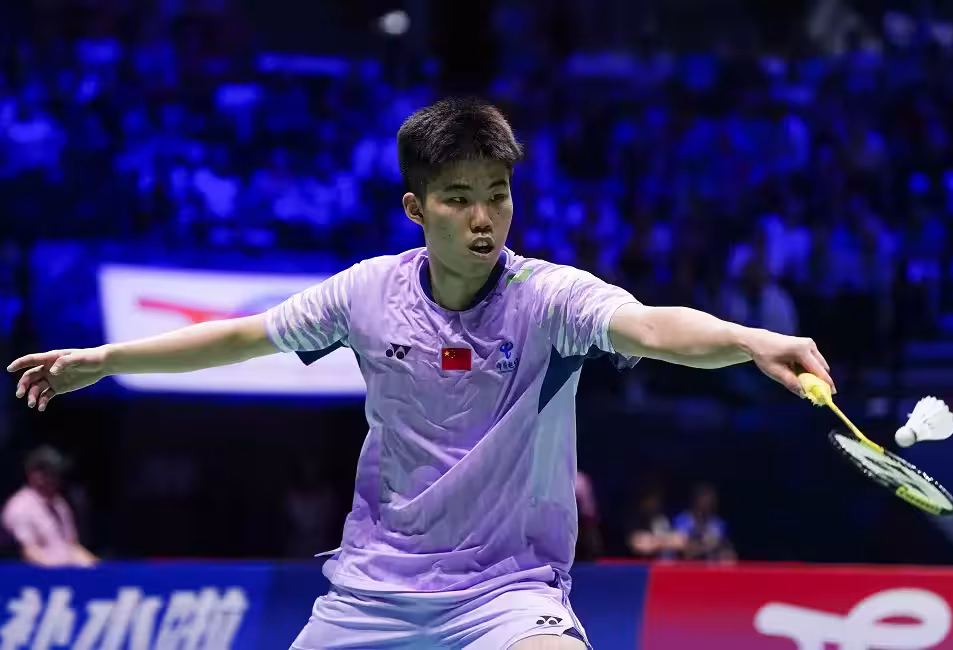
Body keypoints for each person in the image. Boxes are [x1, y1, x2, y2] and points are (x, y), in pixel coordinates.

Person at [7, 98, 834, 649]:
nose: (484, 218)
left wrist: (749, 338)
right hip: (373, 590)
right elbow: (245, 336)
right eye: (458, 197)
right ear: (416, 207)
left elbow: (652, 328)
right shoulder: (368, 293)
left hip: (508, 593)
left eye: (498, 194)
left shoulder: (550, 298)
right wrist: (105, 360)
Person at [1, 445, 98, 568]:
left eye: (59, 473)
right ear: (34, 474)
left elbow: (72, 547)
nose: (58, 478)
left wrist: (100, 570)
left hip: (67, 575)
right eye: (52, 473)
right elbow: (28, 552)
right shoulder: (19, 507)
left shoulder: (59, 504)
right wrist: (59, 574)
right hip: (35, 577)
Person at [673, 482, 737, 563]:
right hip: (685, 564)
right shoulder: (682, 520)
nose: (707, 503)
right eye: (704, 499)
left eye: (711, 500)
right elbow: (687, 551)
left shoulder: (719, 524)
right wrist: (710, 545)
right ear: (695, 500)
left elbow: (726, 548)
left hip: (711, 565)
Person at [625, 482, 687, 560]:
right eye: (651, 499)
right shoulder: (634, 520)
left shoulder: (663, 517)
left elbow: (680, 542)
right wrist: (667, 541)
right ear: (643, 501)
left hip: (666, 563)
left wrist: (653, 542)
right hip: (641, 565)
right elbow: (640, 546)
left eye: (657, 499)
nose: (655, 503)